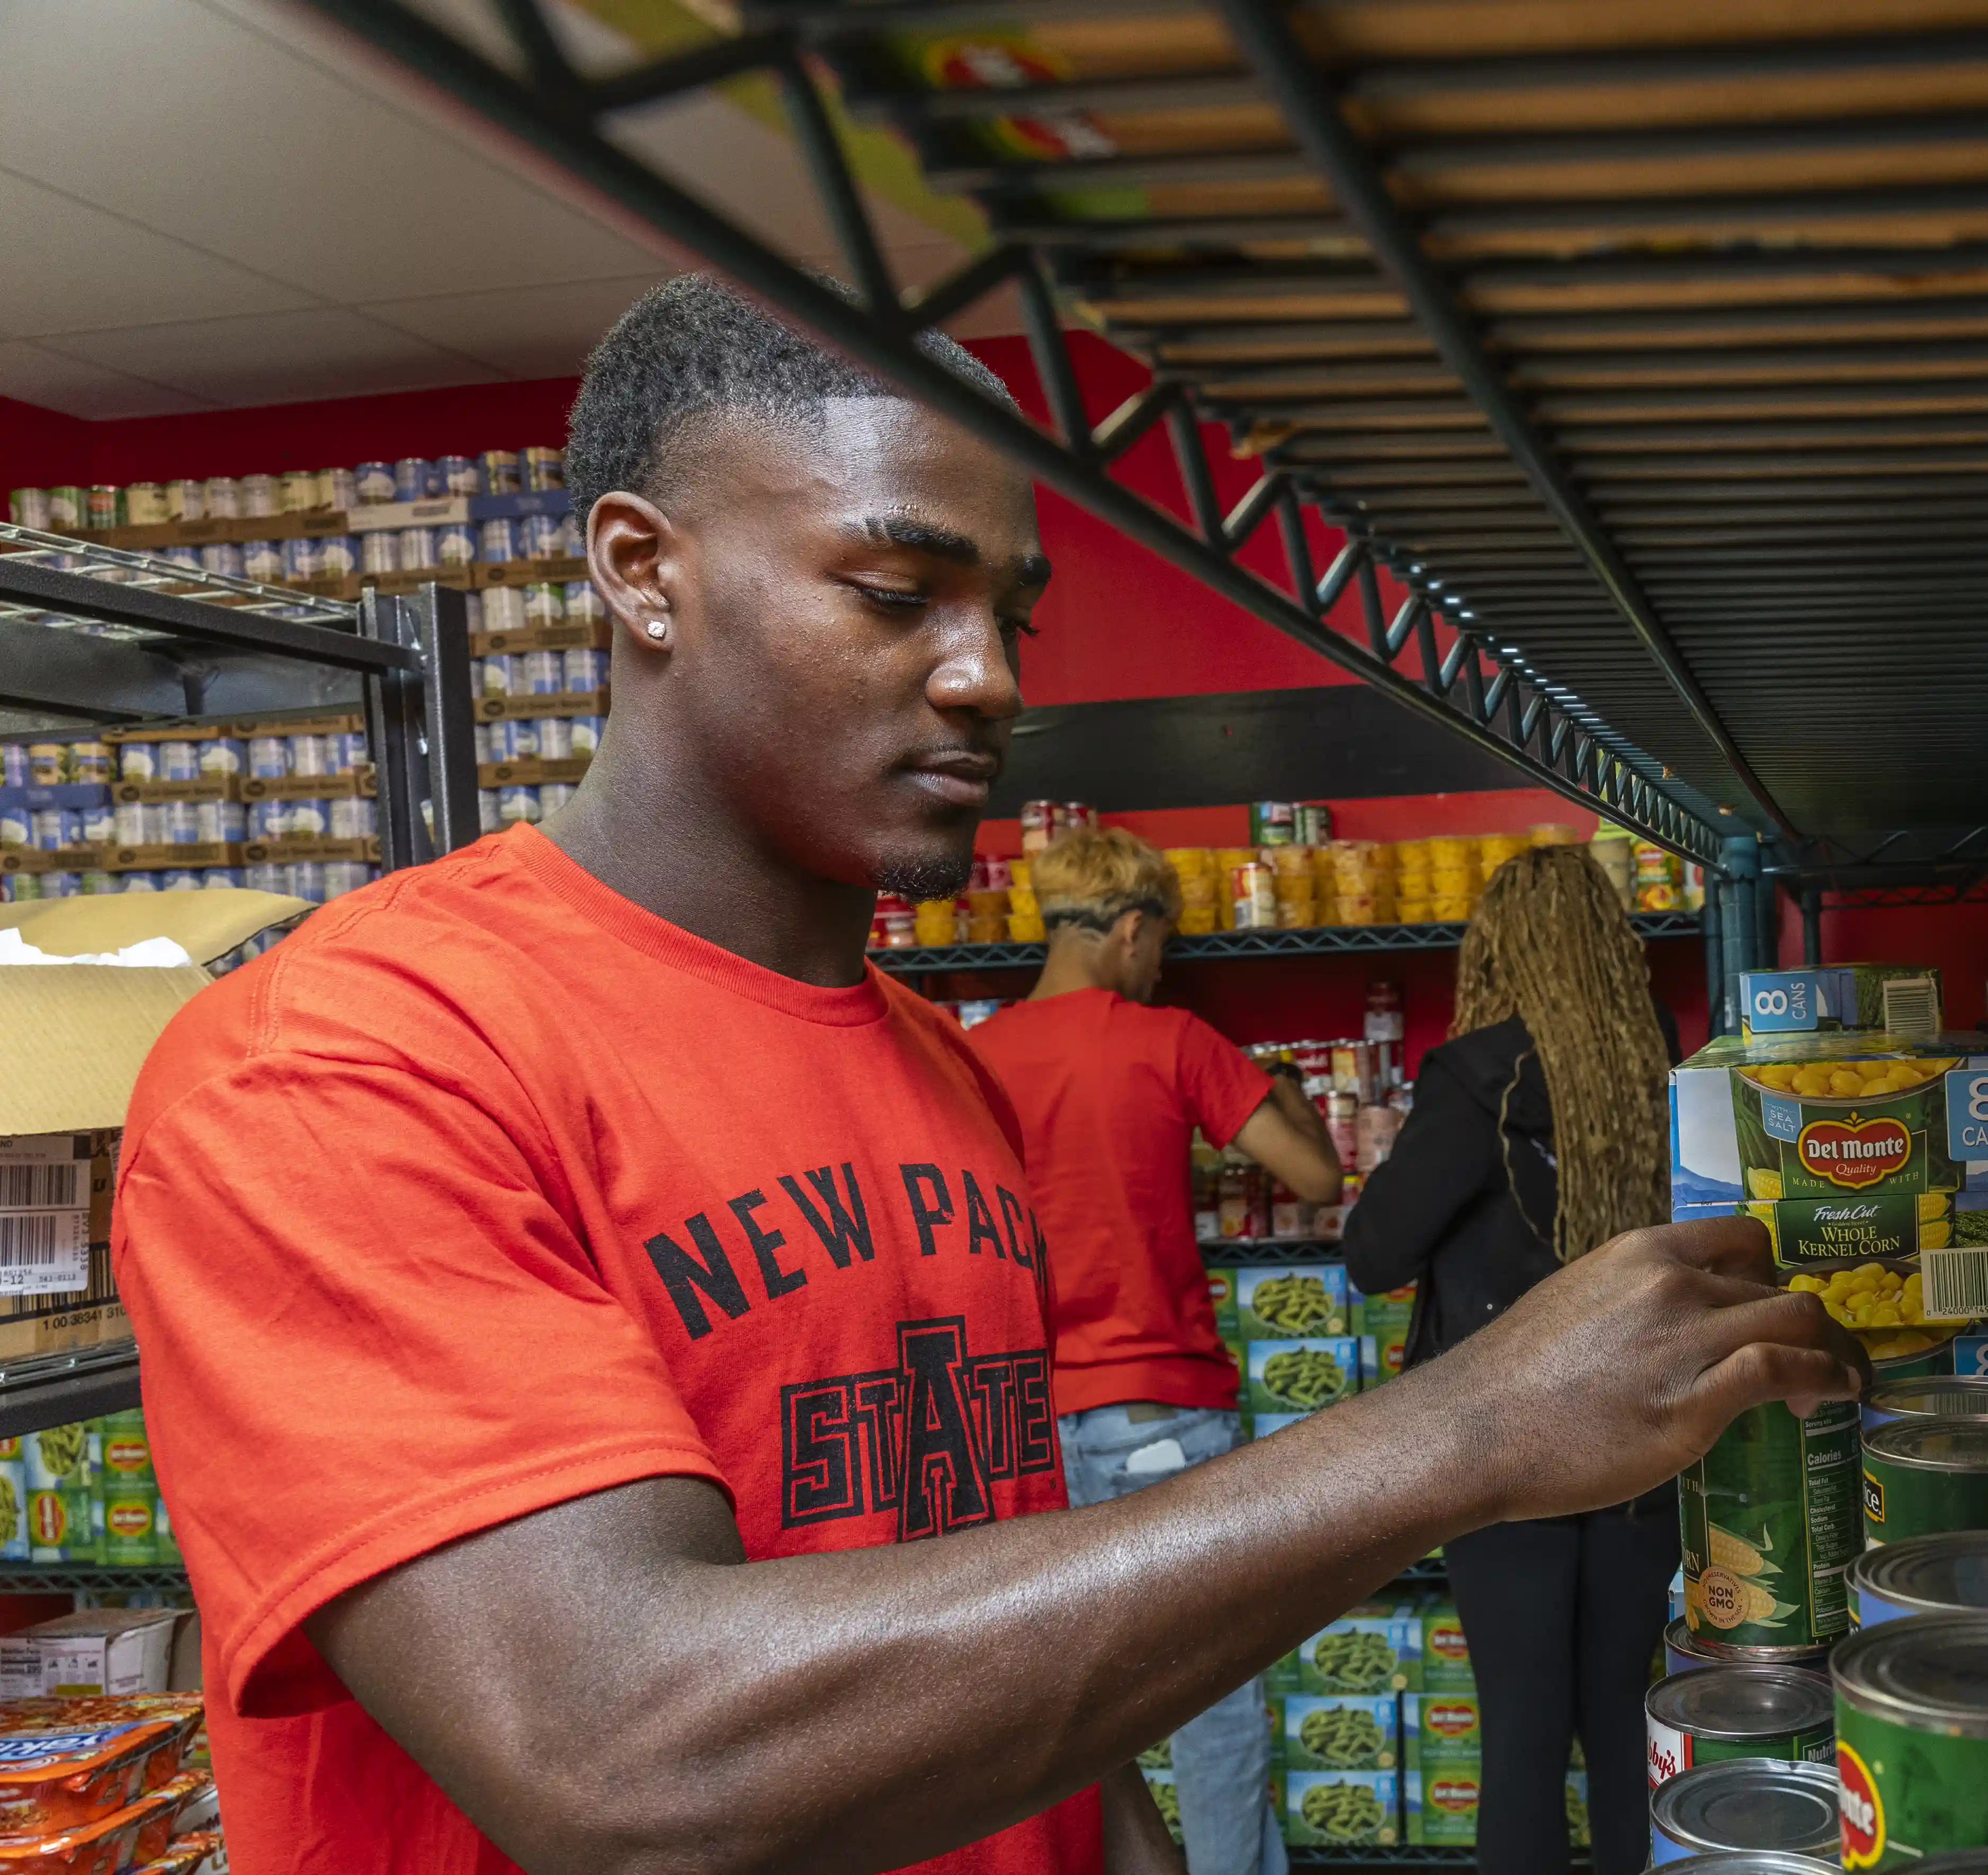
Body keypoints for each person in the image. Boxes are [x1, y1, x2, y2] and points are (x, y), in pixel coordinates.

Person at [110, 274, 1864, 1875]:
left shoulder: (943, 1069)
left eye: (1012, 612)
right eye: (896, 594)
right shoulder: (348, 1060)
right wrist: (1461, 1433)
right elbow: (613, 1749)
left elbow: (998, 1584)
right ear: (646, 574)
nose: (988, 677)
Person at [963, 825, 1342, 1875]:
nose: (1161, 966)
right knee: (1209, 1694)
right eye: (1160, 945)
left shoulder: (970, 1056)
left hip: (1021, 1425)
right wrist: (1280, 1085)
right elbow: (1313, 1177)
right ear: (1130, 932)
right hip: (1159, 1409)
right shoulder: (1168, 1040)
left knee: (1064, 1701)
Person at [1341, 845, 1683, 1875]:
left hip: (1506, 1448)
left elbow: (1373, 1256)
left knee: (1524, 1745)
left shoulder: (1477, 1075)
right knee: (1635, 1732)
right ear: (1610, 944)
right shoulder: (1657, 1053)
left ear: (1499, 948)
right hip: (1643, 1435)